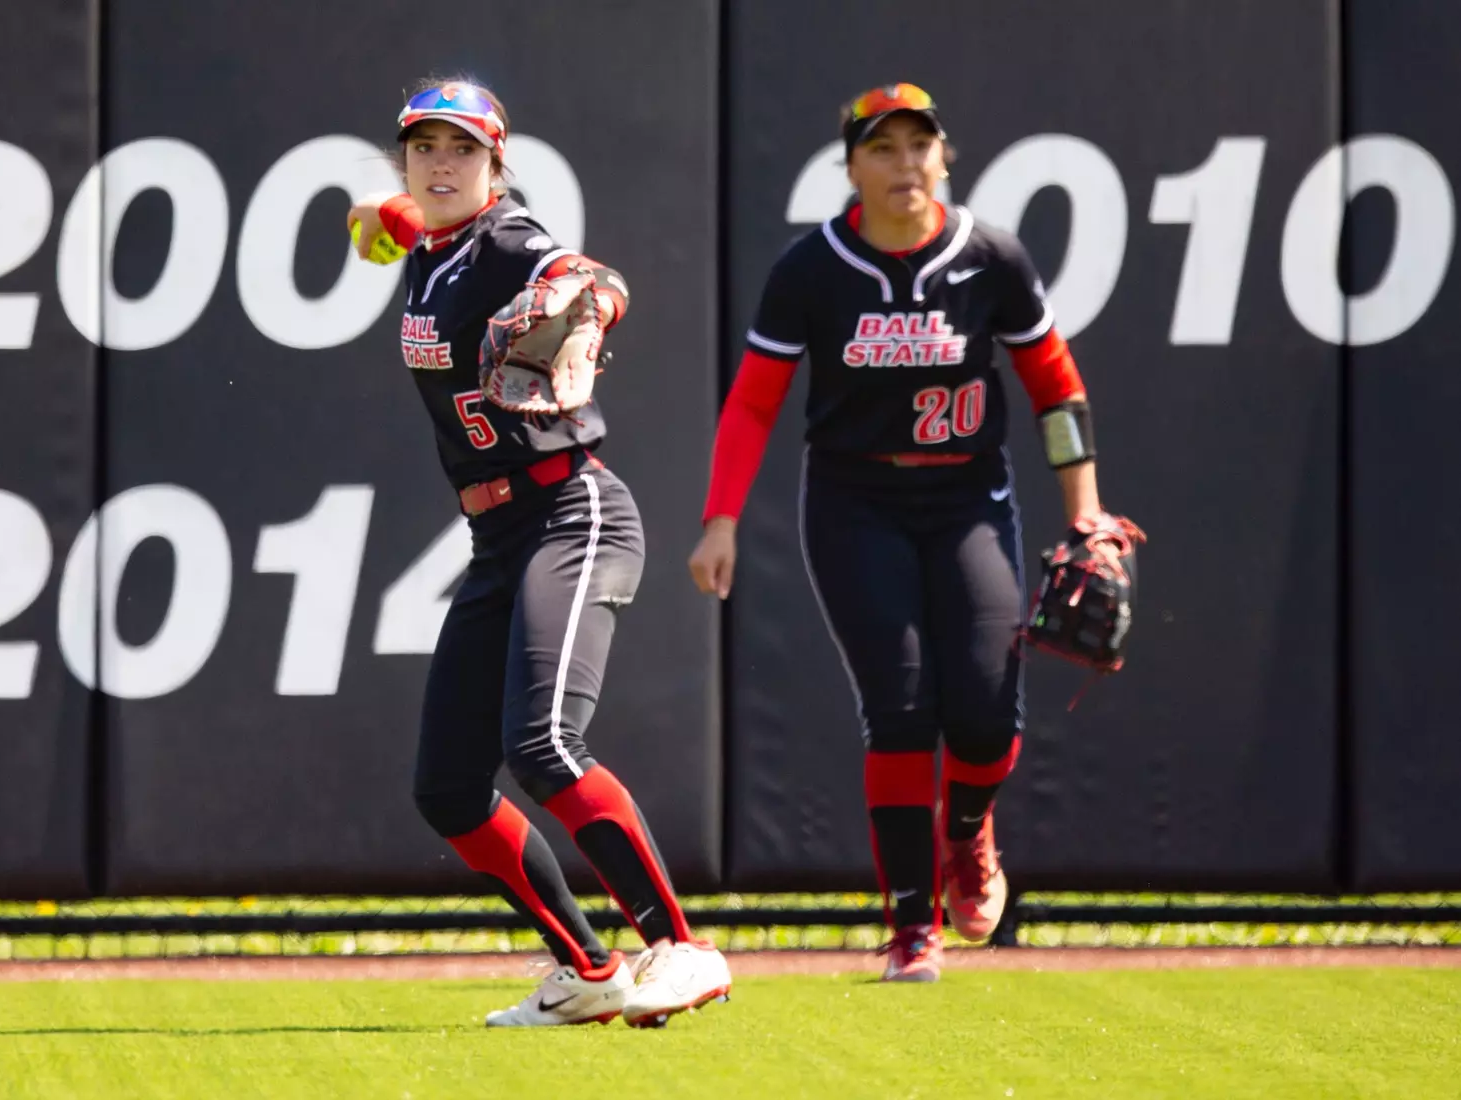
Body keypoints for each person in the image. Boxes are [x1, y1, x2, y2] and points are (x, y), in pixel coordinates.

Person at [688, 82, 1125, 982]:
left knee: (981, 713)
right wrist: (720, 517)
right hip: (854, 505)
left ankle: (966, 832)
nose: (904, 165)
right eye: (881, 149)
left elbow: (1056, 387)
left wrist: (1085, 508)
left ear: (945, 156)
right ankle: (910, 929)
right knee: (900, 711)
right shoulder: (812, 270)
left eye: (918, 146)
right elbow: (754, 400)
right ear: (849, 168)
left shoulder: (990, 258)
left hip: (967, 501)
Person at [347, 77, 732, 1027]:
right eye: (425, 148)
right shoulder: (432, 240)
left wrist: (576, 296)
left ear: (496, 163)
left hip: (574, 512)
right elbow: (396, 217)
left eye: (463, 150)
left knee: (545, 745)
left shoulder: (506, 239)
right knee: (447, 790)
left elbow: (593, 278)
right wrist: (381, 216)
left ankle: (683, 950)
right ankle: (588, 970)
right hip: (498, 536)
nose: (443, 164)